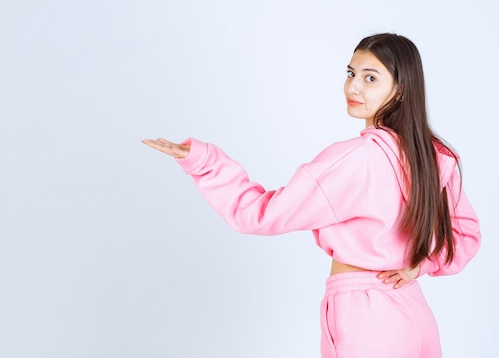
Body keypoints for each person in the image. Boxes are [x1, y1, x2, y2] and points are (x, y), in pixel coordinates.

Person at [142, 33, 480, 358]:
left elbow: (259, 215)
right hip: (413, 312)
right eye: (351, 73)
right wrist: (419, 267)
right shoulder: (431, 156)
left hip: (367, 320)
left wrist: (203, 162)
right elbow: (466, 237)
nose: (353, 86)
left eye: (370, 78)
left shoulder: (353, 160)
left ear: (400, 90)